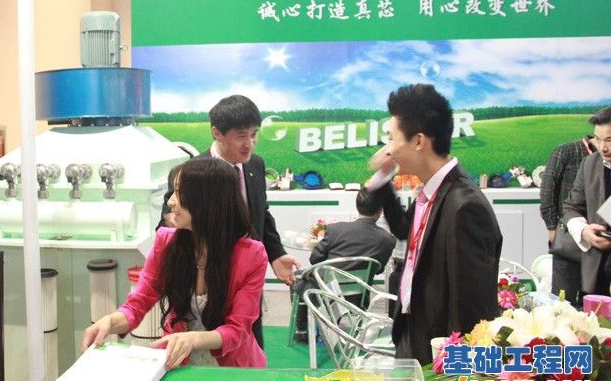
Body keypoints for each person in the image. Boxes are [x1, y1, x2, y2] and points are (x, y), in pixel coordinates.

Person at [83, 158, 268, 368]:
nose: (170, 202)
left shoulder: (252, 255)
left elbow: (238, 329)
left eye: (179, 193)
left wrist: (193, 339)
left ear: (207, 200)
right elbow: (139, 302)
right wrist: (111, 321)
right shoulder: (166, 241)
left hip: (232, 368)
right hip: (177, 363)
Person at [367, 84, 503, 366]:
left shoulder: (465, 207)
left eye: (391, 139)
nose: (387, 150)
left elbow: (471, 308)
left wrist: (456, 369)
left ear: (418, 141)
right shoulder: (430, 192)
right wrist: (382, 178)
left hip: (438, 350)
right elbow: (404, 230)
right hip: (412, 331)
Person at [159, 94, 300, 349]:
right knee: (213, 341)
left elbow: (261, 212)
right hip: (210, 277)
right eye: (241, 136)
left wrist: (276, 254)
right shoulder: (194, 172)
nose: (250, 144)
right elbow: (168, 218)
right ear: (217, 133)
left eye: (254, 134)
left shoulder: (255, 164)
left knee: (248, 336)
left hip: (248, 272)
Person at [291, 188, 396, 344]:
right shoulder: (387, 239)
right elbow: (378, 269)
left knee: (299, 276)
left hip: (323, 292)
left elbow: (315, 259)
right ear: (380, 210)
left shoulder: (336, 229)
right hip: (358, 296)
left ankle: (302, 329)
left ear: (357, 205)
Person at [539, 135, 596, 305]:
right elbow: (548, 191)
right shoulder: (567, 151)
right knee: (563, 300)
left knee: (594, 301)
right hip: (568, 237)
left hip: (599, 242)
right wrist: (552, 228)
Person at [562, 106, 611, 298]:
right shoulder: (589, 164)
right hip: (598, 269)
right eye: (598, 139)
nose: (603, 147)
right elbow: (571, 207)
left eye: (609, 140)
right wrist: (584, 232)